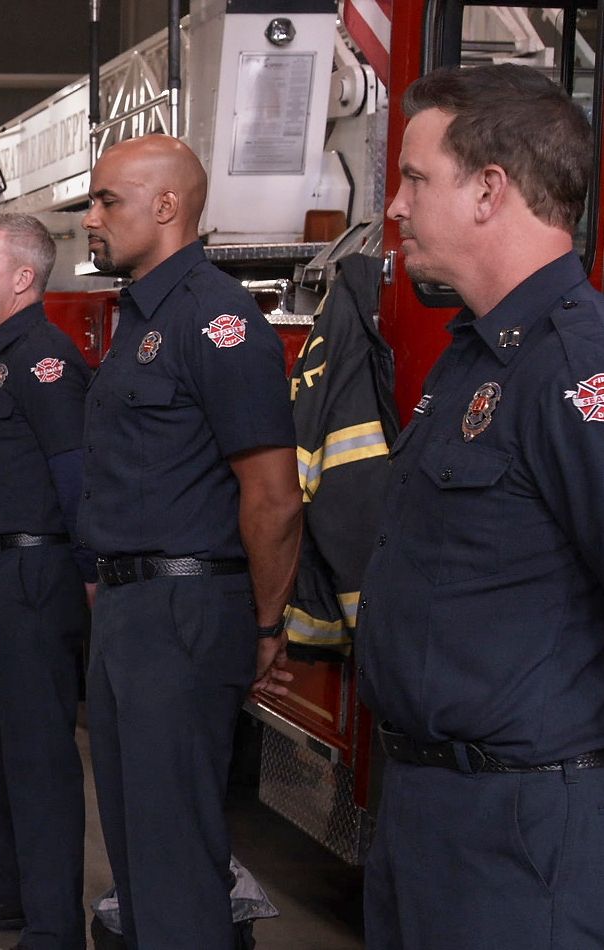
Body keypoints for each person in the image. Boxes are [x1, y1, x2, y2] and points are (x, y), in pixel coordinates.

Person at [358, 64, 604, 950]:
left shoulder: (576, 368)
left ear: (489, 190)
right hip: (427, 813)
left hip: (522, 832)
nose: (394, 205)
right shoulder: (475, 357)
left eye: (416, 179)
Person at [77, 135, 302, 949]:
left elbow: (272, 495)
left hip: (184, 609)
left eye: (108, 201)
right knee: (140, 852)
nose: (91, 220)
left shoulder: (216, 318)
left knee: (173, 855)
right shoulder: (145, 313)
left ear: (167, 206)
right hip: (132, 611)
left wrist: (267, 624)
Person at [0, 214, 93, 945]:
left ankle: (54, 927)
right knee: (2, 749)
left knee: (37, 758)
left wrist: (91, 574)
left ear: (22, 278)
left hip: (36, 576)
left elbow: (74, 476)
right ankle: (15, 897)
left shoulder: (45, 361)